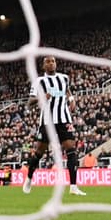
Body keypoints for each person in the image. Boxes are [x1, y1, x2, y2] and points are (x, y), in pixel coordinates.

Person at [22, 55, 86, 197]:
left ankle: (73, 186)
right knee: (39, 153)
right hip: (47, 121)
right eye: (48, 62)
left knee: (71, 151)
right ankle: (29, 178)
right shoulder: (39, 81)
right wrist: (41, 97)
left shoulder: (64, 78)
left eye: (53, 61)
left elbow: (67, 90)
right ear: (43, 66)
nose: (51, 64)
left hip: (64, 119)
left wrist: (71, 99)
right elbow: (29, 102)